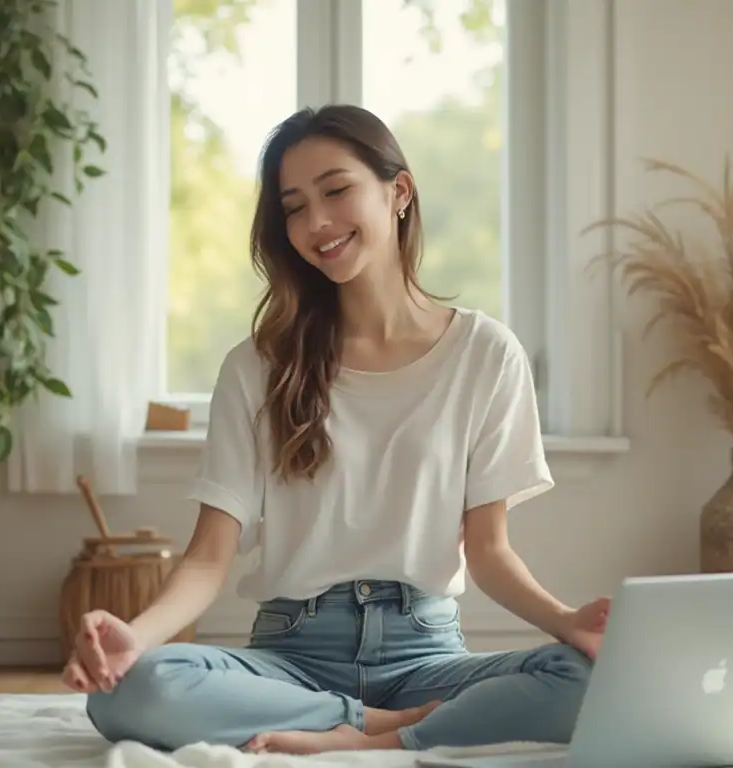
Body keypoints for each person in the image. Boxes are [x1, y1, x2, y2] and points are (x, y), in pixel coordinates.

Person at [62, 103, 608, 756]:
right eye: (293, 207)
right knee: (133, 690)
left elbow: (489, 552)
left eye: (336, 190)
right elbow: (209, 556)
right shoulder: (258, 365)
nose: (315, 223)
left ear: (399, 191)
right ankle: (373, 725)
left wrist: (569, 622)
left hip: (424, 656)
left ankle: (391, 732)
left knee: (587, 680)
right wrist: (138, 636)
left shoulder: (486, 354)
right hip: (290, 657)